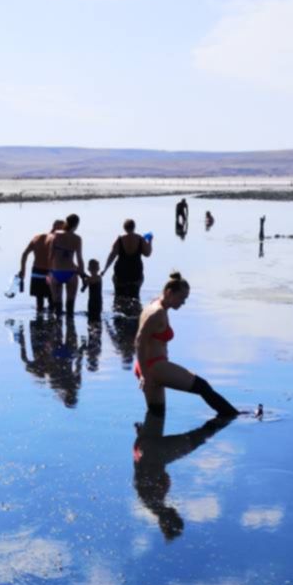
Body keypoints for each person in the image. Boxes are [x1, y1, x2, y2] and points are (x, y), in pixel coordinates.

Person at [135, 272, 237, 417]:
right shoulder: (157, 313)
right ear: (169, 293)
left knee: (156, 413)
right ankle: (233, 416)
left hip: (147, 366)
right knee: (203, 386)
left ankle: (147, 439)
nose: (183, 303)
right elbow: (139, 341)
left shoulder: (155, 304)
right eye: (181, 298)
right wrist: (145, 376)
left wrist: (143, 373)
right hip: (154, 367)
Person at [132, 413, 233, 540]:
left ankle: (227, 417)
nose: (177, 512)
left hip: (155, 453)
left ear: (167, 519)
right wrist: (142, 435)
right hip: (142, 446)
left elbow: (159, 475)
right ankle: (225, 417)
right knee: (156, 411)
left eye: (176, 516)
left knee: (199, 437)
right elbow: (142, 465)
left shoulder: (153, 500)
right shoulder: (149, 500)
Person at [104, 218, 152, 310]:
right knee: (135, 297)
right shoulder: (140, 239)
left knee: (119, 297)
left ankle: (119, 317)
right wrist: (150, 241)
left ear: (124, 227)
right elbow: (147, 253)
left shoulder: (120, 239)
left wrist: (105, 269)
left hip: (121, 271)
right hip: (136, 271)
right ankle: (135, 317)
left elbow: (112, 255)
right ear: (134, 227)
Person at [18, 221, 63, 316]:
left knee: (39, 304)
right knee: (53, 303)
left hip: (36, 272)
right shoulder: (56, 240)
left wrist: (23, 271)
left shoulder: (37, 237)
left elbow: (24, 254)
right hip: (50, 273)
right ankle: (51, 327)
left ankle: (38, 326)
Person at [47, 213, 86, 316]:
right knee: (70, 308)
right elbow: (79, 259)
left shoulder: (56, 235)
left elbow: (50, 255)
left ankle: (57, 328)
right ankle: (71, 329)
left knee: (57, 308)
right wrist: (82, 274)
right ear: (76, 225)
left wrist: (48, 272)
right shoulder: (77, 239)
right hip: (71, 273)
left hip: (56, 272)